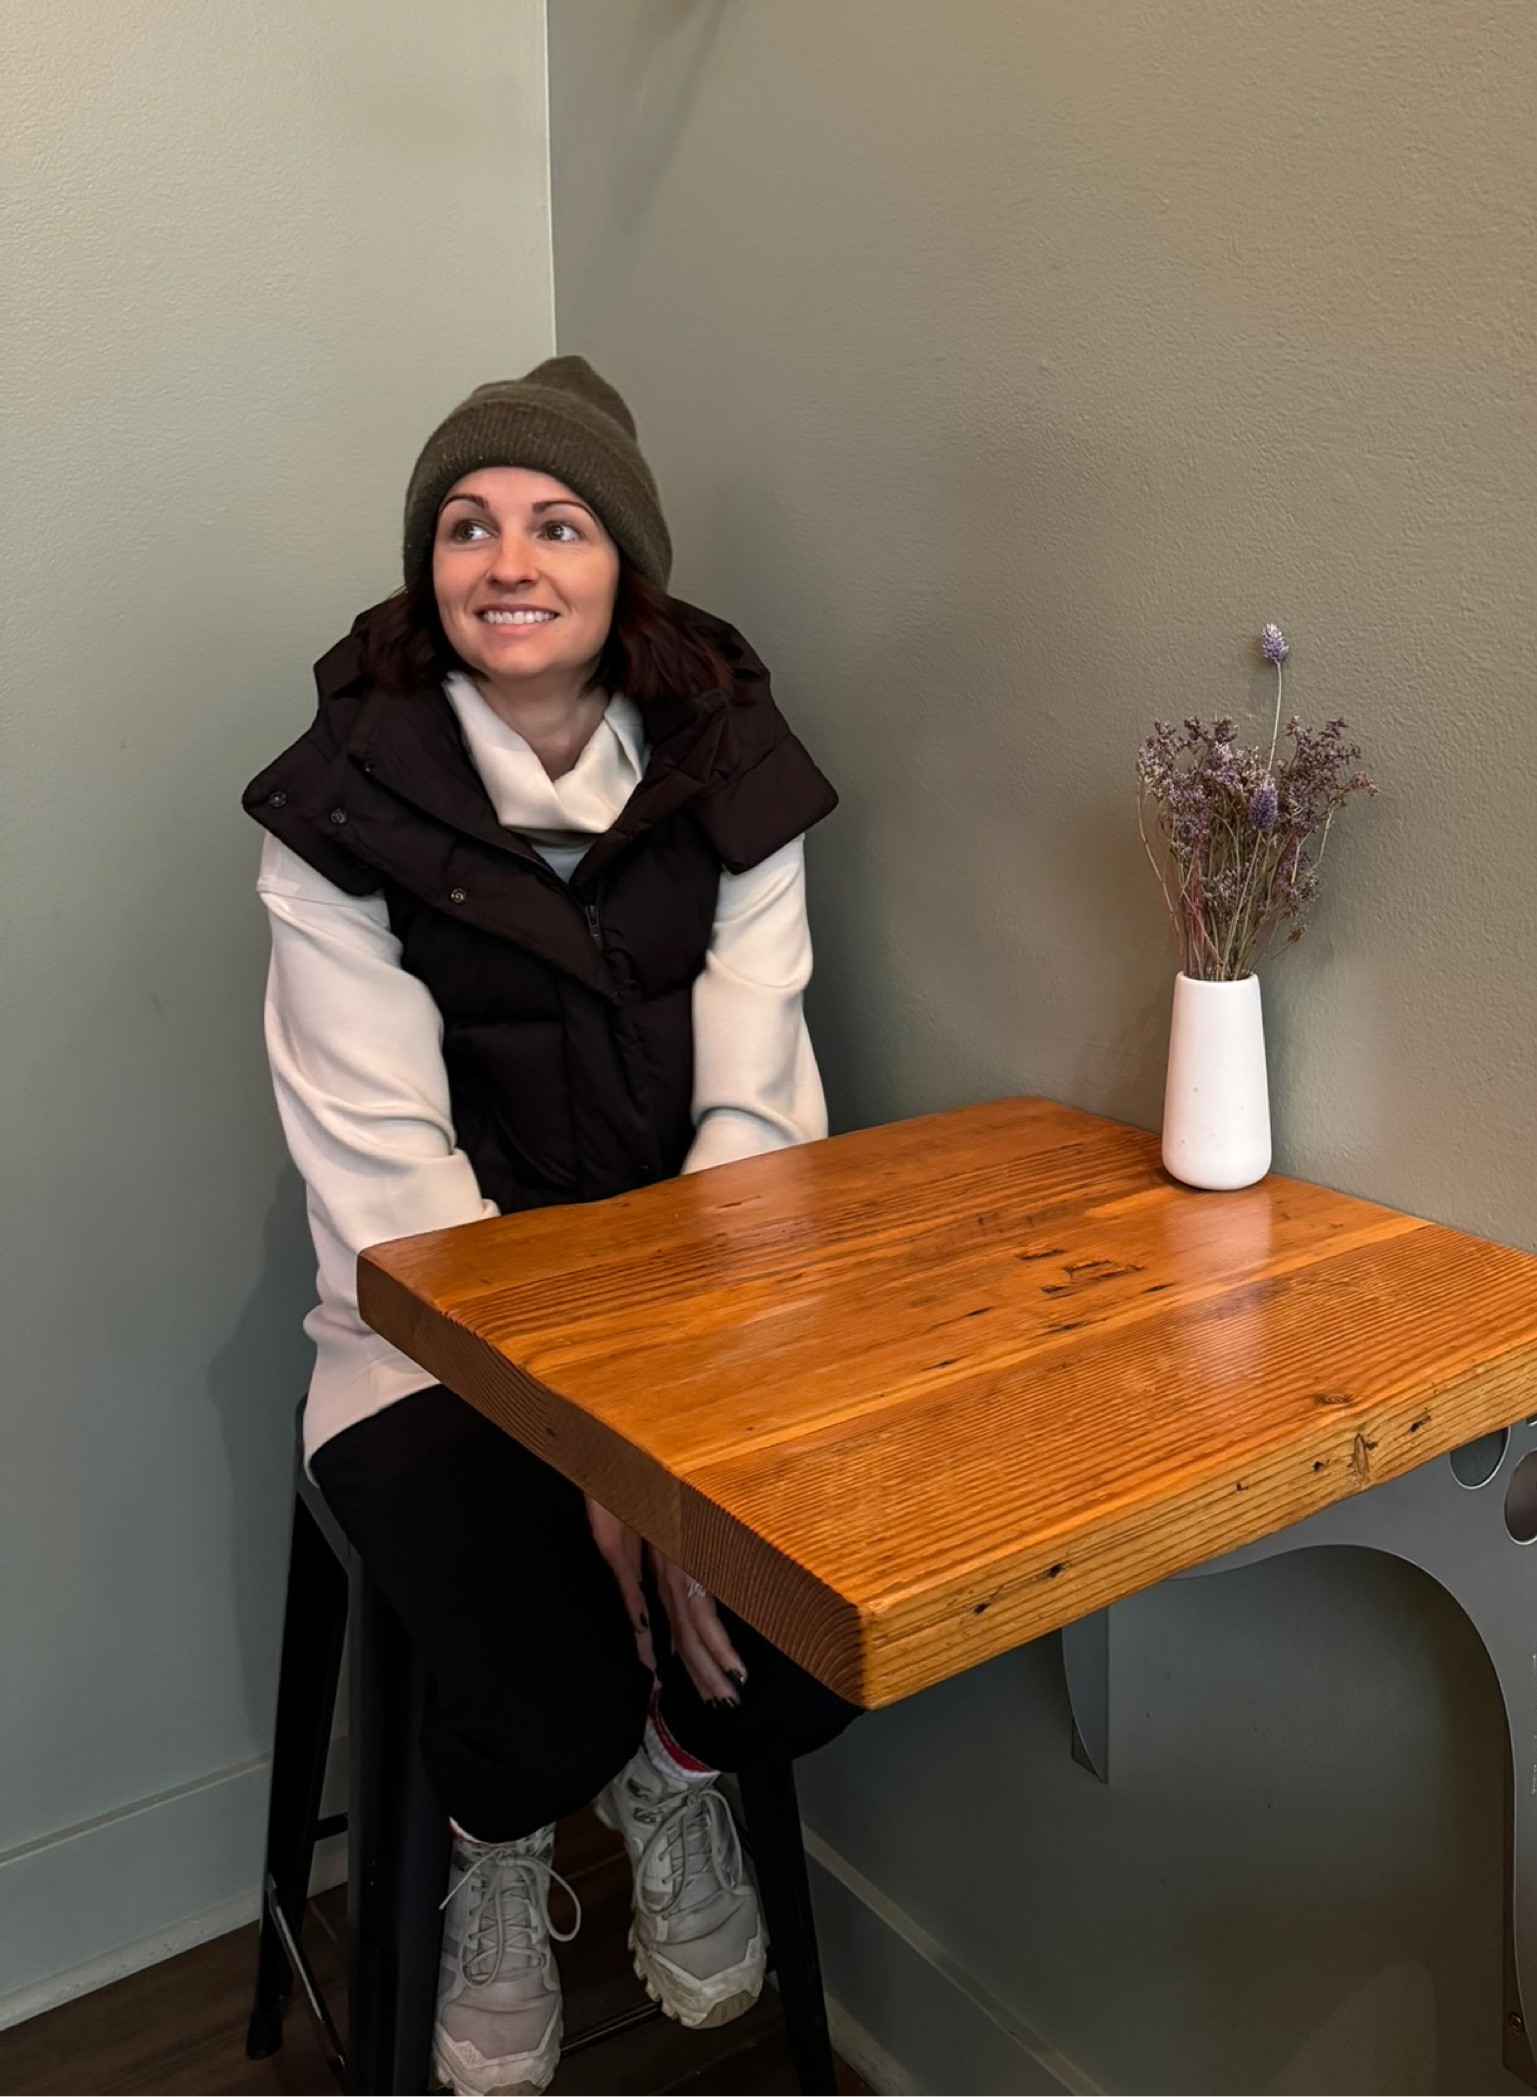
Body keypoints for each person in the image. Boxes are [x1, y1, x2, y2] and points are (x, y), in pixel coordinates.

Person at [243, 357, 857, 2096]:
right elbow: (395, 1195)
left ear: (622, 567)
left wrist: (676, 1433)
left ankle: (677, 1765)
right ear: (429, 567)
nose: (506, 559)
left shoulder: (726, 764)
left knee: (810, 1642)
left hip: (707, 1307)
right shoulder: (337, 805)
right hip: (423, 1335)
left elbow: (756, 1110)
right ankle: (497, 1836)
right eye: (466, 524)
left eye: (556, 522)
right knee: (539, 1679)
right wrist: (608, 1456)